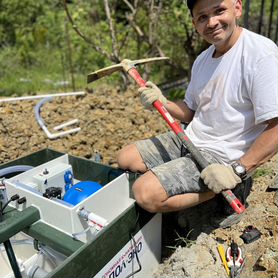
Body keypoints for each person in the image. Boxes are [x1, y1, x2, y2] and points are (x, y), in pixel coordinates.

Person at [117, 0, 278, 225]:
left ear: (237, 8)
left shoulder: (260, 53)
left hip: (223, 156)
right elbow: (191, 111)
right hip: (191, 139)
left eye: (219, 11)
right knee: (126, 158)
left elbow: (276, 128)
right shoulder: (203, 60)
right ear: (195, 23)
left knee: (145, 193)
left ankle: (225, 189)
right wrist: (163, 101)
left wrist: (237, 170)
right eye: (202, 17)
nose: (212, 22)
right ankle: (197, 181)